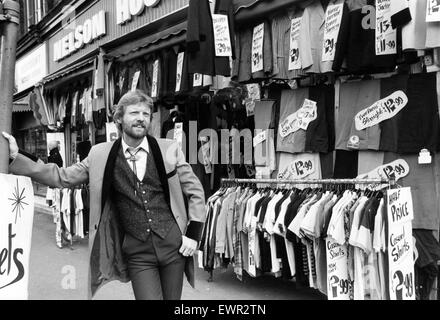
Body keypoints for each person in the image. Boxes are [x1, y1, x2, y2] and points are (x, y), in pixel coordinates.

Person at [2, 90, 206, 300]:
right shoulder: (100, 154)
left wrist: (193, 234)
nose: (141, 119)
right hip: (138, 251)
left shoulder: (169, 148)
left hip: (173, 246)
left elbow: (195, 190)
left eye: (146, 114)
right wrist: (17, 156)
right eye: (134, 113)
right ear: (119, 118)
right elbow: (62, 176)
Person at [46, 140, 65, 248]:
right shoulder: (56, 155)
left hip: (54, 184)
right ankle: (59, 238)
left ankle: (59, 237)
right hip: (56, 184)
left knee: (56, 204)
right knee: (56, 204)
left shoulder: (53, 156)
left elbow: (51, 170)